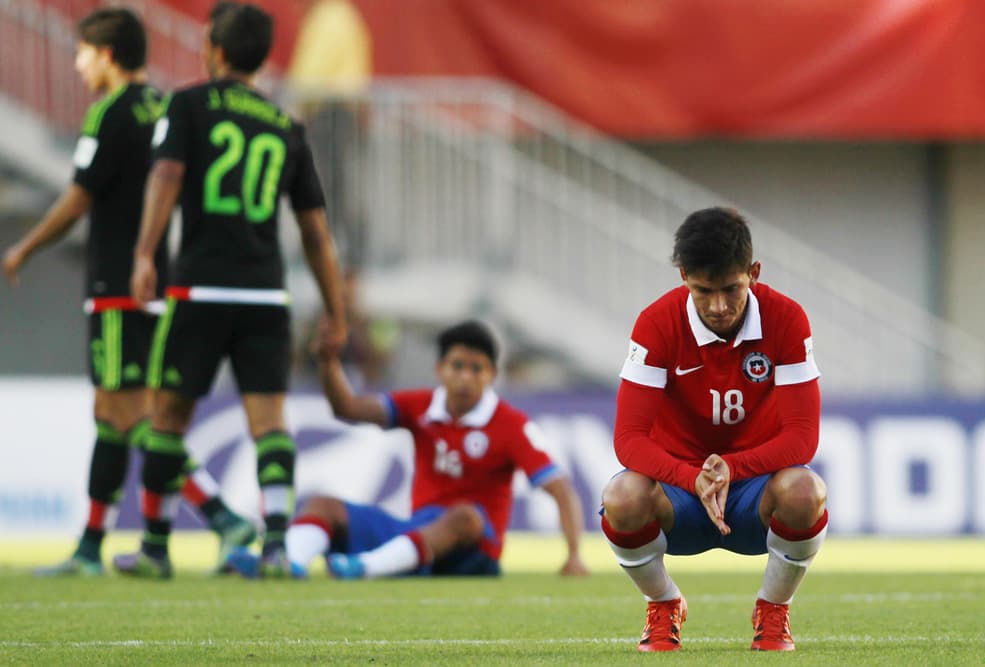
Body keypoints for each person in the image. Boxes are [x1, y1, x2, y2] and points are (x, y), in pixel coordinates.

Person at [1, 7, 255, 577]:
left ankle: (220, 515)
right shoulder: (164, 107)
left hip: (116, 281)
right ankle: (92, 545)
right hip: (155, 277)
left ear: (107, 55)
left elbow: (77, 197)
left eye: (83, 52)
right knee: (111, 414)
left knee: (128, 410)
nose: (77, 63)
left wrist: (24, 248)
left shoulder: (110, 112)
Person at [113, 2, 348, 579]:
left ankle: (155, 548)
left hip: (199, 290)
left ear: (215, 49)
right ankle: (273, 547)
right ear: (263, 56)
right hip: (266, 296)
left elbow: (166, 177)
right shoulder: (286, 124)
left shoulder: (187, 105)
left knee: (167, 419)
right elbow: (315, 230)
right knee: (269, 424)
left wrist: (144, 254)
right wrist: (336, 310)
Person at [601, 207, 826, 652]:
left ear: (754, 273)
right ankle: (663, 603)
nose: (719, 306)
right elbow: (628, 439)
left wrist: (732, 467)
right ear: (684, 276)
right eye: (704, 291)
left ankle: (773, 610)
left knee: (806, 492)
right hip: (680, 493)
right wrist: (692, 477)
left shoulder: (787, 318)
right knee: (621, 498)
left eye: (731, 289)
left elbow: (803, 437)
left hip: (751, 493)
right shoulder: (656, 323)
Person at [228, 319, 589, 580]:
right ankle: (288, 562)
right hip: (415, 534)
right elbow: (348, 408)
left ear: (491, 374)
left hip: (473, 551)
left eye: (476, 369)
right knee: (324, 504)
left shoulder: (512, 424)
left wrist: (574, 556)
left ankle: (365, 568)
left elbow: (560, 488)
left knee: (464, 516)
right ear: (440, 370)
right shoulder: (420, 406)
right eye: (457, 366)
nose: (465, 377)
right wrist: (328, 363)